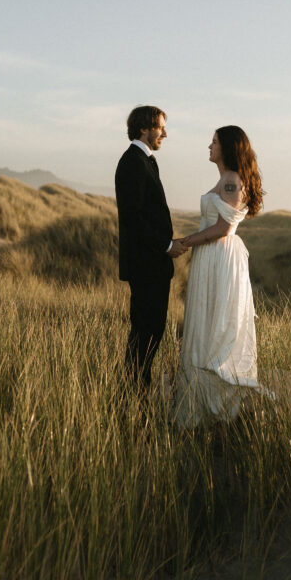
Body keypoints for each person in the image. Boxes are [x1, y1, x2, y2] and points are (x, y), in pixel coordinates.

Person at [173, 125, 268, 427]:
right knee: (203, 321)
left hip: (220, 257)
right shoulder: (225, 180)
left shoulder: (232, 182)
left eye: (213, 142)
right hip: (210, 257)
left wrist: (186, 242)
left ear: (227, 147)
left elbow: (223, 228)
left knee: (215, 326)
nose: (209, 146)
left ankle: (219, 409)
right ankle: (199, 407)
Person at [115, 105, 186, 392]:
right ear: (144, 128)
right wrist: (166, 245)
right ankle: (134, 395)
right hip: (145, 265)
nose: (165, 134)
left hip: (152, 265)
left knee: (151, 331)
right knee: (146, 332)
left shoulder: (146, 160)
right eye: (160, 127)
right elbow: (134, 218)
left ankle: (136, 392)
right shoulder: (133, 162)